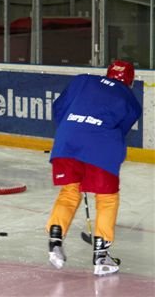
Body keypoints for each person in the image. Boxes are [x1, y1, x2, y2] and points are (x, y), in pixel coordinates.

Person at [45, 60, 142, 276]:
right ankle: (101, 256)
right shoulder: (130, 100)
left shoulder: (83, 80)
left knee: (69, 192)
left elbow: (59, 109)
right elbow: (120, 130)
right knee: (106, 198)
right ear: (130, 81)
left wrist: (73, 134)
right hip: (101, 148)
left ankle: (55, 240)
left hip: (67, 142)